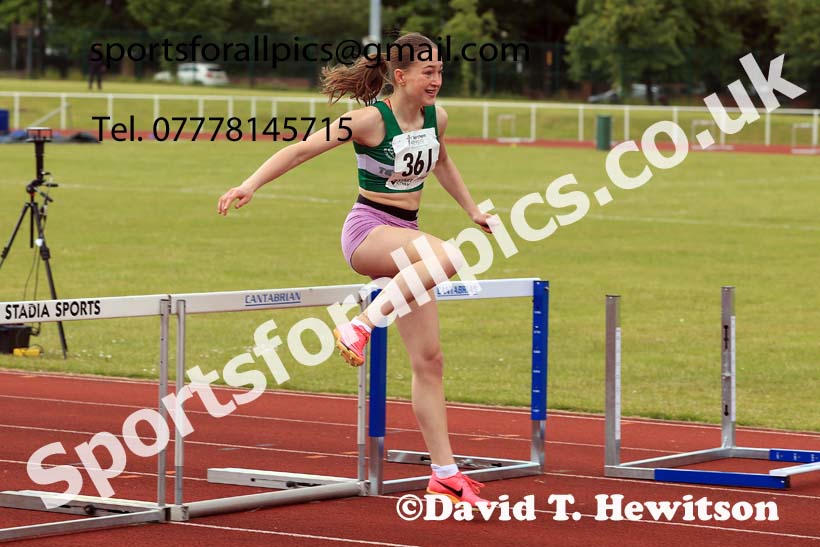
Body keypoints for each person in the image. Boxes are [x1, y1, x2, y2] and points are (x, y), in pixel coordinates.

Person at [217, 32, 493, 507]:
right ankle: (360, 325)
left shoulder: (437, 118)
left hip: (407, 235)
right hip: (369, 232)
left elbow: (443, 162)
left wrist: (472, 210)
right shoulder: (367, 120)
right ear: (400, 76)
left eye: (441, 71)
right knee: (450, 256)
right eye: (428, 72)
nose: (437, 80)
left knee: (430, 362)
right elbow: (301, 149)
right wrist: (250, 184)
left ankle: (445, 474)